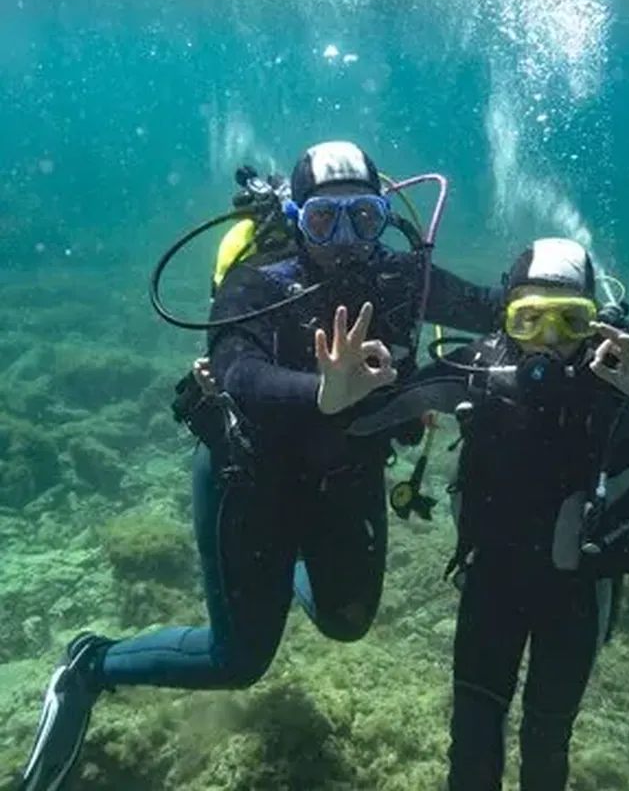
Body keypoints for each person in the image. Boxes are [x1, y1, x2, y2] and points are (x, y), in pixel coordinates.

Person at [19, 140, 502, 791]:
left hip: (343, 477)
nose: (344, 239)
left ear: (383, 217)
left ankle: (292, 566)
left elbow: (490, 308)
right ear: (297, 217)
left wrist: (580, 312)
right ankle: (90, 665)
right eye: (323, 220)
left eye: (361, 217)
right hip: (250, 483)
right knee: (238, 660)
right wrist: (322, 394)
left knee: (347, 620)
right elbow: (235, 369)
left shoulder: (401, 279)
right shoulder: (260, 283)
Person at [344, 236, 629, 790]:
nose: (550, 343)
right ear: (504, 318)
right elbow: (364, 419)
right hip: (491, 583)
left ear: (597, 322)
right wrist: (344, 389)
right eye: (529, 320)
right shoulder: (476, 375)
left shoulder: (623, 390)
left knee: (546, 742)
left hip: (576, 598)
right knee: (473, 739)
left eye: (570, 321)